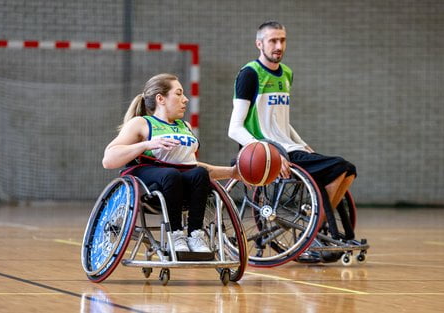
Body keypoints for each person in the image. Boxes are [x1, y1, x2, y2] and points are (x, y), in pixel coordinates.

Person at [228, 21, 357, 259]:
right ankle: (316, 230)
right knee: (338, 166)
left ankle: (314, 223)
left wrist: (301, 142)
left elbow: (281, 121)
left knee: (348, 170)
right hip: (266, 150)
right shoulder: (249, 74)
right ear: (259, 44)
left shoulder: (287, 73)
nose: (278, 45)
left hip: (289, 146)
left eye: (282, 40)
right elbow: (234, 129)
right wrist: (267, 150)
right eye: (272, 41)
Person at [103, 73, 240, 253]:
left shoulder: (186, 127)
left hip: (180, 184)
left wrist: (232, 172)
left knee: (199, 174)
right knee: (171, 174)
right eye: (179, 94)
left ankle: (195, 235)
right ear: (161, 99)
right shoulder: (142, 123)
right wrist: (147, 144)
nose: (185, 99)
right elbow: (109, 159)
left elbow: (191, 167)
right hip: (151, 182)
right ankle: (175, 234)